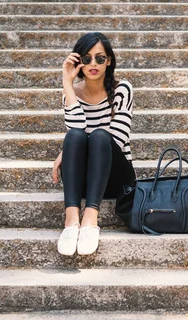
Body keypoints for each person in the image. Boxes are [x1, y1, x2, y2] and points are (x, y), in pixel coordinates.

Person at [52, 32, 135, 256]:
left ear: (109, 60)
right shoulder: (70, 94)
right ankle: (71, 222)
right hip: (84, 180)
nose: (93, 64)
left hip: (116, 177)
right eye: (86, 59)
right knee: (74, 137)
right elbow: (76, 131)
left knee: (100, 136)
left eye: (100, 58)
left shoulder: (122, 90)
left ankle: (90, 220)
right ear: (78, 62)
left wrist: (66, 153)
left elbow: (115, 140)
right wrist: (67, 83)